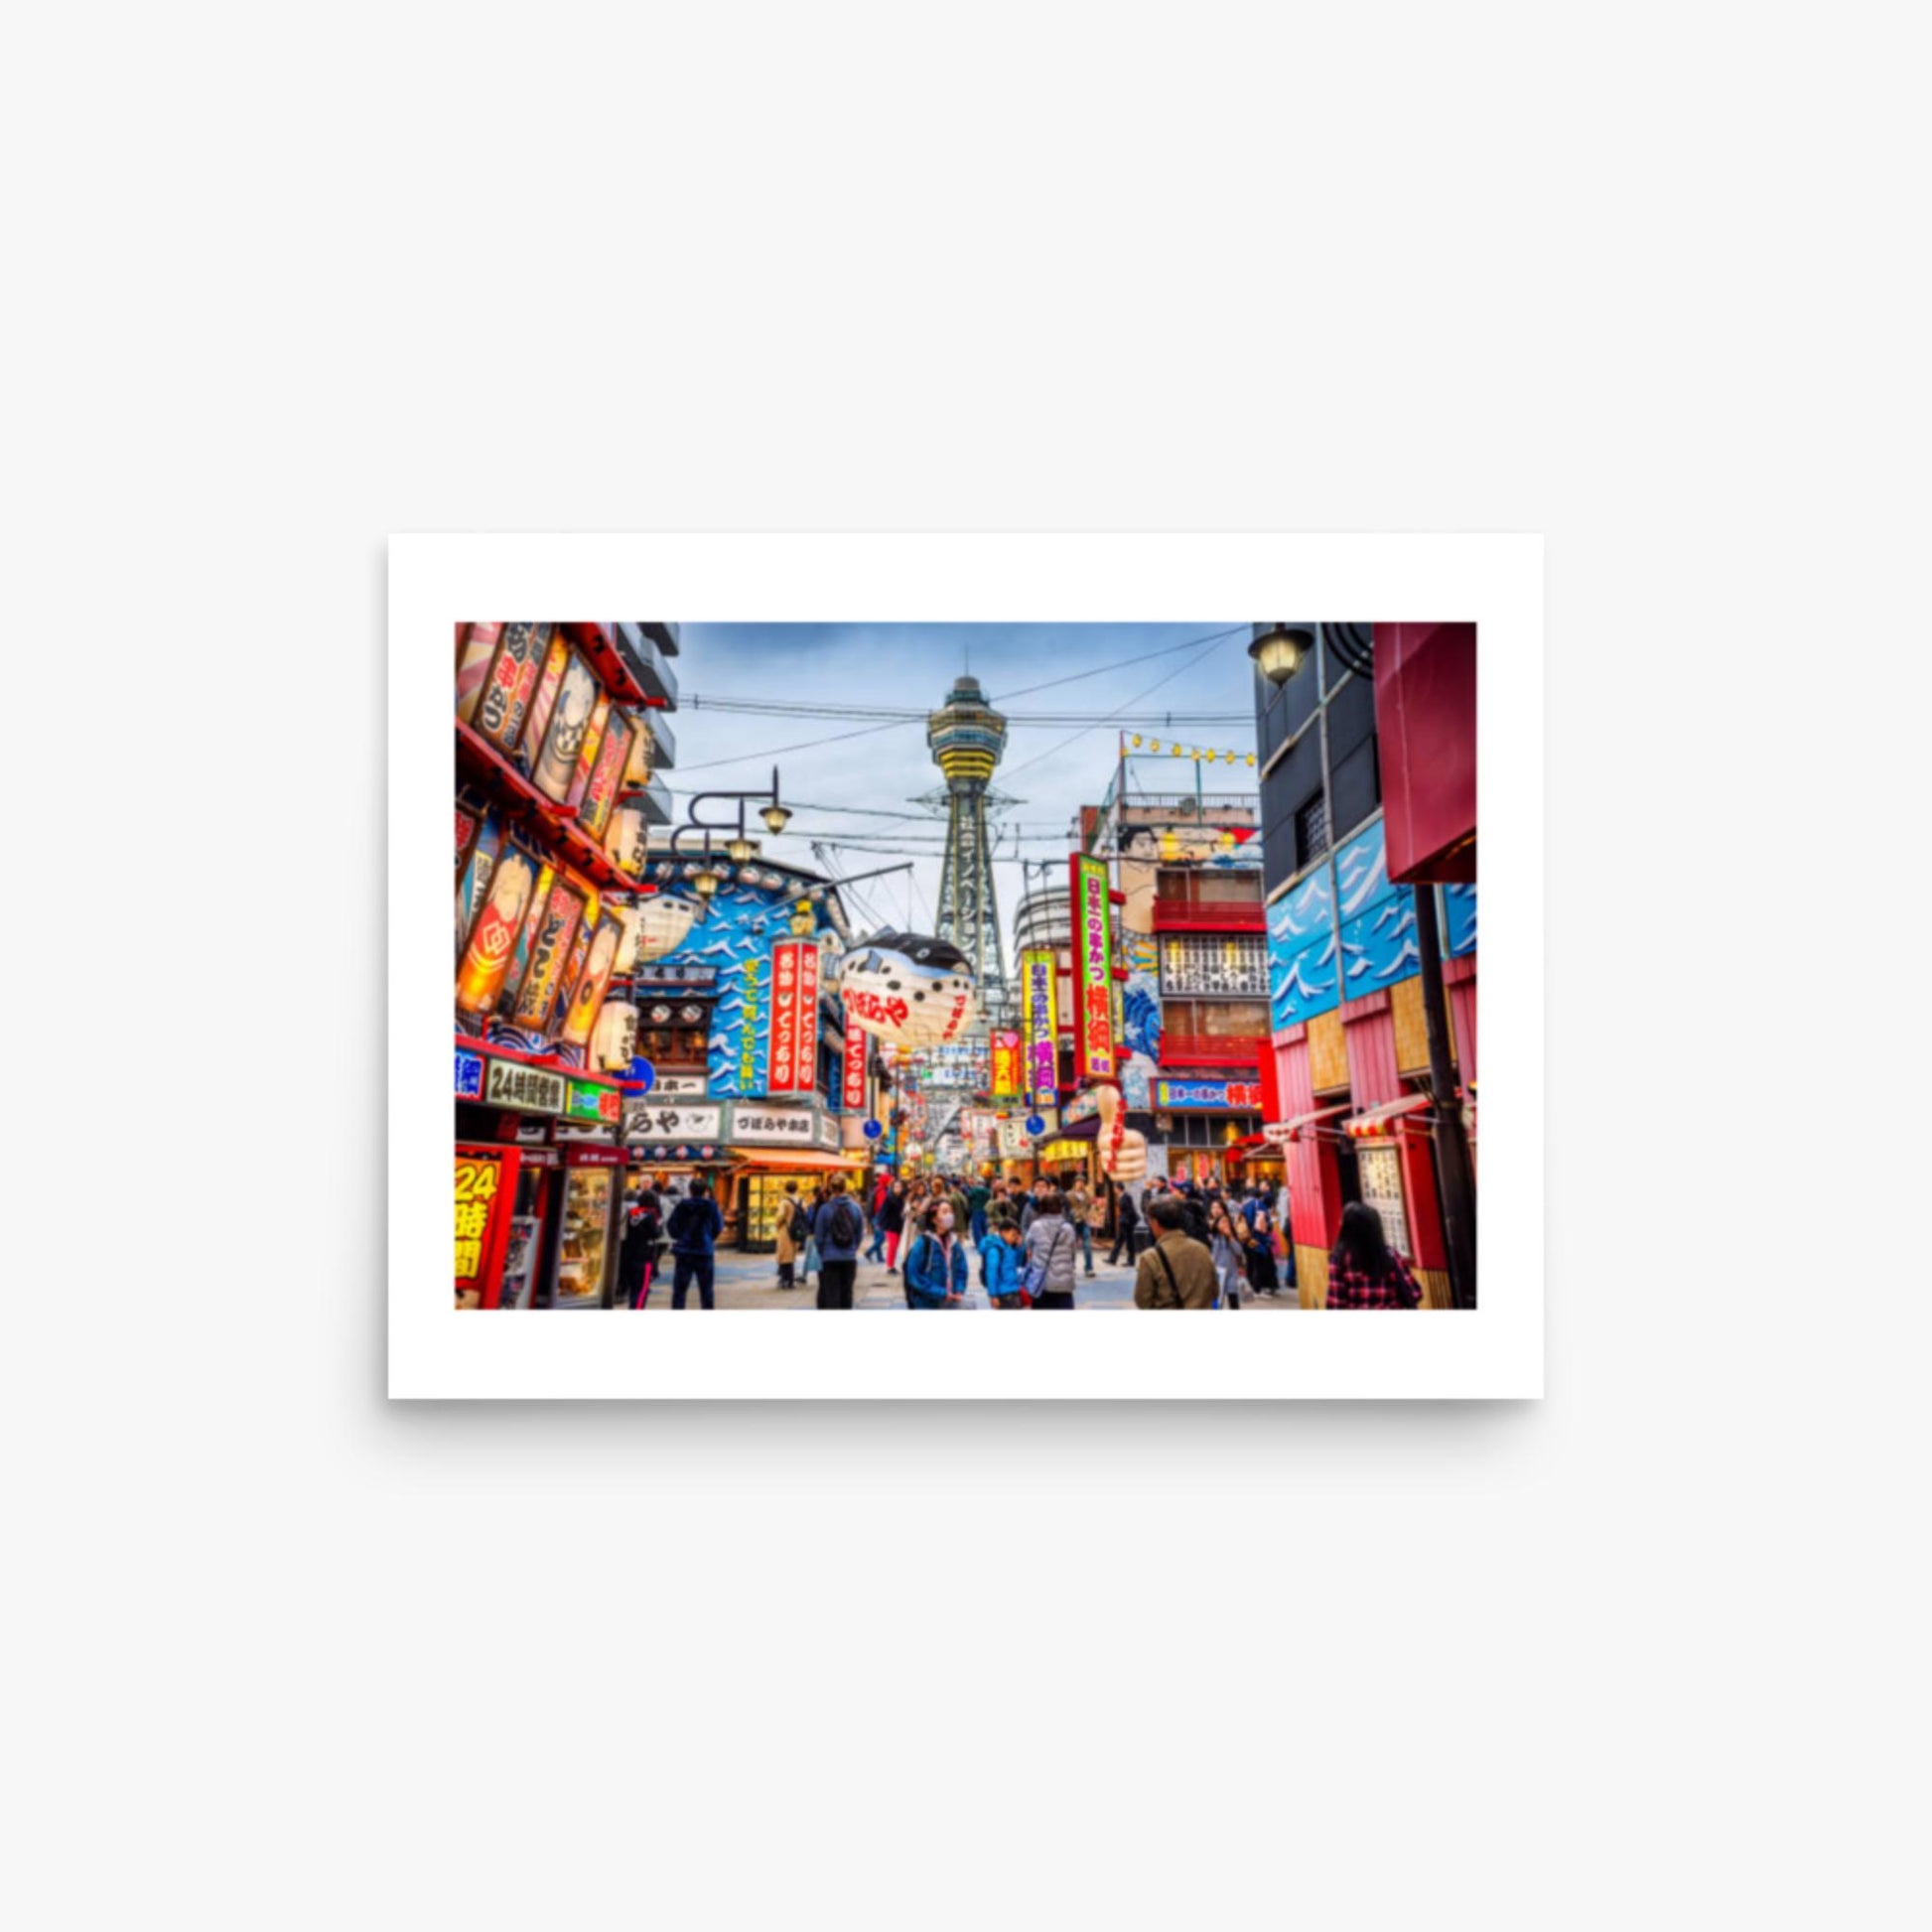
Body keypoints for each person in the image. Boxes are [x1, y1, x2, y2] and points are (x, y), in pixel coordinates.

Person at [1325, 1201, 1423, 1310]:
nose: (1339, 1222)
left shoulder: (1339, 1259)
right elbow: (1414, 1292)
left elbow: (1336, 1304)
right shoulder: (1390, 1254)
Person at [1133, 1193, 1220, 1309]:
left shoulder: (1150, 1257)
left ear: (1156, 1223)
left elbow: (1143, 1301)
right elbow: (1215, 1290)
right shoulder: (1202, 1249)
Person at [666, 1177, 724, 1310]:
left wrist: (680, 1236)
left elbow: (672, 1226)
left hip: (684, 1251)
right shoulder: (711, 1206)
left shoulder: (682, 1205)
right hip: (704, 1250)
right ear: (705, 1191)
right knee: (706, 1290)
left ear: (690, 1190)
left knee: (680, 1290)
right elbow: (718, 1226)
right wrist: (709, 1237)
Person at [811, 1175, 865, 1310]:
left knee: (831, 1293)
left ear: (831, 1189)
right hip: (849, 1257)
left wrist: (823, 1252)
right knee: (847, 1293)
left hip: (829, 1258)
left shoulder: (824, 1209)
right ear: (845, 1188)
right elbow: (859, 1234)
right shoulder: (856, 1208)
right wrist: (852, 1248)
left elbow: (818, 1237)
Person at [903, 1199, 970, 1308]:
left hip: (950, 1300)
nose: (950, 1215)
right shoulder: (923, 1243)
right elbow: (914, 1276)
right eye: (945, 1212)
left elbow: (962, 1269)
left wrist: (959, 1289)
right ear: (934, 1219)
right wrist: (941, 1292)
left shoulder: (954, 1242)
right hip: (926, 1303)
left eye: (951, 1211)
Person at [1022, 1188, 1079, 1309]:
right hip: (1064, 1283)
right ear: (1059, 1208)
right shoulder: (1067, 1228)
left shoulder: (1036, 1226)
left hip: (1042, 1282)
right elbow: (1073, 1252)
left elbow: (1028, 1244)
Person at [619, 1187, 663, 1310]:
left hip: (629, 1253)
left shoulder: (632, 1212)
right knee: (642, 1288)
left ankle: (632, 1307)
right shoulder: (651, 1215)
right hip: (645, 1256)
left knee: (633, 1286)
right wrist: (659, 1226)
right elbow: (656, 1233)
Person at [1206, 1188, 1248, 1310]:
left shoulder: (1229, 1226)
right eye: (1213, 1207)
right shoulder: (1207, 1228)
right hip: (1215, 1271)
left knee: (1233, 1301)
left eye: (1218, 1207)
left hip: (1231, 1271)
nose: (1215, 1210)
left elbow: (1239, 1251)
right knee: (1215, 1303)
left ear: (1223, 1209)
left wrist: (1229, 1236)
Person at [979, 1216, 1027, 1309]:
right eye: (1013, 1235)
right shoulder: (995, 1250)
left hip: (1013, 1289)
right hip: (1003, 1293)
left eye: (1016, 1235)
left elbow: (1017, 1264)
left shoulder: (1008, 1247)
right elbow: (991, 1273)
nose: (1015, 1238)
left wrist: (1019, 1247)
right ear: (1003, 1232)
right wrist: (993, 1295)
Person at [1244, 1189, 1282, 1296]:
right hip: (1260, 1239)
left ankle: (1253, 1285)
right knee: (1262, 1263)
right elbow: (1268, 1225)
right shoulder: (1260, 1205)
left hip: (1247, 1239)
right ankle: (1261, 1287)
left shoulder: (1244, 1205)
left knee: (1251, 1262)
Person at [774, 1181, 807, 1291]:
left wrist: (778, 1225)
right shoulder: (801, 1201)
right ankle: (790, 1280)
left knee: (784, 1256)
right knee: (791, 1255)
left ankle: (786, 1279)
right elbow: (805, 1213)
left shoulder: (785, 1202)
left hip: (786, 1230)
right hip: (797, 1231)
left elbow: (780, 1216)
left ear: (786, 1189)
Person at [1066, 1177, 1098, 1278]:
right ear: (1075, 1183)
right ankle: (1071, 1268)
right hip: (1073, 1222)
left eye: (1082, 1182)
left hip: (1084, 1222)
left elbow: (1089, 1207)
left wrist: (1087, 1215)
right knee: (1071, 1247)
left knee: (1087, 1246)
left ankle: (1089, 1268)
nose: (1080, 1184)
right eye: (1078, 1182)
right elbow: (1066, 1208)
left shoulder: (1087, 1195)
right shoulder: (1068, 1195)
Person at [1106, 1184, 1140, 1267]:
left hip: (1127, 1223)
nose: (1114, 1190)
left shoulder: (1126, 1196)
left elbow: (1130, 1210)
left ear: (1118, 1188)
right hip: (1123, 1222)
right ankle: (1112, 1259)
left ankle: (1130, 1261)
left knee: (1129, 1242)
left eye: (1115, 1188)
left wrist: (1126, 1220)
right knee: (1119, 1240)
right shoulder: (1120, 1196)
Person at [880, 1179, 906, 1272]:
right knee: (892, 1245)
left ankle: (892, 1265)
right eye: (896, 1187)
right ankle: (889, 1266)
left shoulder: (901, 1198)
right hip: (890, 1225)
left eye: (899, 1187)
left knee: (895, 1246)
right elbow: (883, 1212)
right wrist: (881, 1223)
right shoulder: (889, 1198)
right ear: (892, 1188)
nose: (898, 1188)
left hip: (898, 1226)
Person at [966, 1175, 991, 1246]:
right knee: (984, 1227)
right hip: (985, 1210)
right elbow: (989, 1198)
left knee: (976, 1228)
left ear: (977, 1183)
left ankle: (978, 1243)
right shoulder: (987, 1191)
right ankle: (985, 1242)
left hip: (976, 1210)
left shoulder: (973, 1190)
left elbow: (969, 1198)